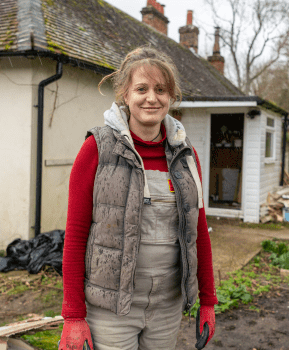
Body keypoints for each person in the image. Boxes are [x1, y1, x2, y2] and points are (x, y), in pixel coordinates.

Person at [58, 46, 217, 350]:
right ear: (125, 95)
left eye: (161, 89)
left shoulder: (187, 157)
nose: (152, 98)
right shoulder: (97, 150)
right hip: (111, 313)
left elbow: (199, 233)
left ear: (170, 96)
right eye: (141, 89)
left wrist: (208, 300)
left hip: (166, 309)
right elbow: (76, 237)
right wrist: (73, 316)